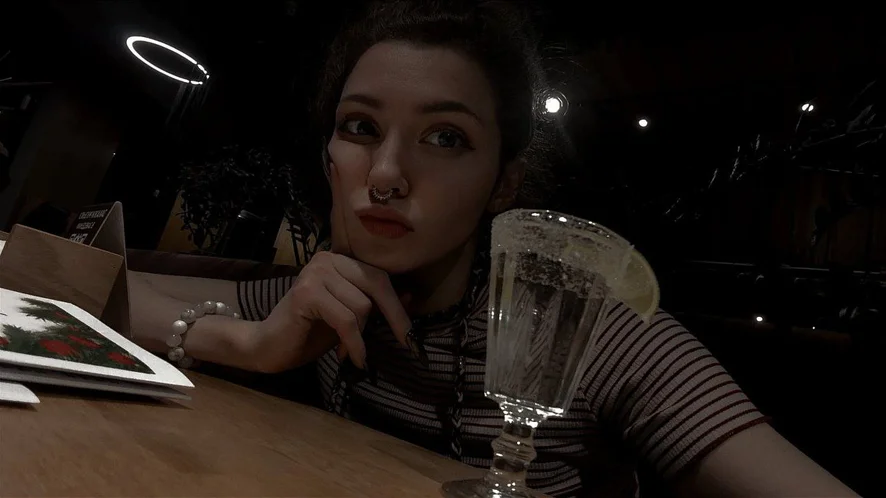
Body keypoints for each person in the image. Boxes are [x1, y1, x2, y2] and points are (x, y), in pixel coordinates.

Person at [129, 1, 858, 496]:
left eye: (445, 137)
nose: (385, 175)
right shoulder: (329, 294)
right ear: (328, 156)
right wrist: (255, 342)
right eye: (360, 128)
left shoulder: (585, 333)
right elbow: (110, 296)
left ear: (503, 182)